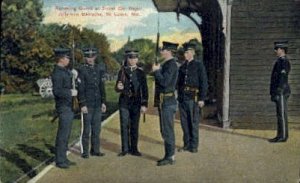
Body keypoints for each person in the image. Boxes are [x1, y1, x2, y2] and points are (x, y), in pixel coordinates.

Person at [115, 48, 148, 157]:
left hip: (136, 103)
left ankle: (134, 149)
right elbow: (117, 87)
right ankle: (125, 149)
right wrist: (118, 87)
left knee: (134, 126)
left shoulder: (140, 73)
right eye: (130, 58)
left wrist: (144, 104)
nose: (132, 60)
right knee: (124, 125)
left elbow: (145, 89)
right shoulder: (122, 71)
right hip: (124, 102)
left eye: (134, 58)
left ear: (137, 59)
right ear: (127, 59)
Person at [177, 43, 208, 153]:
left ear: (193, 53)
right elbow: (178, 83)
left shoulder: (199, 65)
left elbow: (204, 82)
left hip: (193, 97)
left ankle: (194, 146)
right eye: (185, 52)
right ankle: (186, 144)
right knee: (184, 123)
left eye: (188, 52)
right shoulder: (182, 67)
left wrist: (202, 98)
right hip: (182, 98)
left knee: (193, 123)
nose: (186, 54)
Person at [152, 41, 178, 166]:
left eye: (163, 49)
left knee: (167, 130)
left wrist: (156, 71)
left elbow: (165, 83)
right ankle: (169, 155)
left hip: (167, 102)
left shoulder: (171, 65)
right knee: (165, 130)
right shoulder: (167, 64)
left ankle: (170, 156)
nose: (161, 51)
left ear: (169, 51)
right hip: (165, 102)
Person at [77, 47, 107, 158]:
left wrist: (103, 102)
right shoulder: (82, 70)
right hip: (87, 104)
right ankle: (85, 152)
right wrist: (82, 104)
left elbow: (101, 87)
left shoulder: (99, 69)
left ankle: (95, 150)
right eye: (87, 57)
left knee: (96, 129)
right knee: (86, 129)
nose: (90, 59)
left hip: (97, 103)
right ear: (85, 58)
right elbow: (80, 88)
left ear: (95, 57)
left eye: (92, 56)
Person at [51, 48, 77, 169]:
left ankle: (63, 157)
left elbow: (68, 81)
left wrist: (73, 76)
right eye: (67, 58)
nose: (69, 60)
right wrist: (70, 93)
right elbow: (57, 91)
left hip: (69, 106)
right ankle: (60, 160)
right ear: (61, 58)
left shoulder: (64, 71)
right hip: (63, 106)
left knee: (66, 134)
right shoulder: (57, 72)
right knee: (63, 134)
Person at [269, 41, 291, 143]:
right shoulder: (279, 61)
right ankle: (280, 135)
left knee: (282, 114)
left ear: (282, 50)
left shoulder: (284, 62)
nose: (275, 51)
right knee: (279, 114)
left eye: (276, 49)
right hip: (278, 92)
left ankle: (283, 136)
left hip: (281, 91)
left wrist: (279, 91)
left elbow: (283, 78)